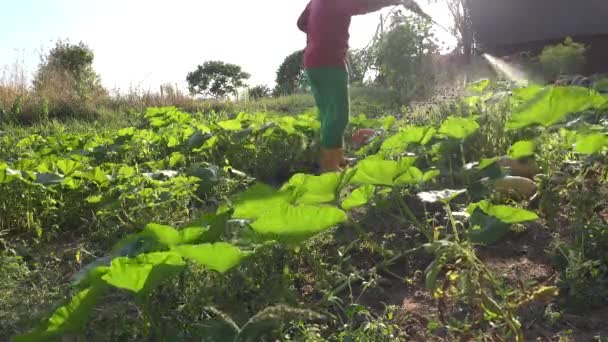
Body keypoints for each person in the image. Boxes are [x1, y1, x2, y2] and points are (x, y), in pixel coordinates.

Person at [297, 0, 408, 173]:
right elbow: (365, 3)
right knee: (339, 114)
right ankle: (329, 164)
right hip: (331, 60)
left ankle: (335, 155)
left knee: (327, 112)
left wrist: (319, 30)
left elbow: (301, 23)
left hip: (312, 61)